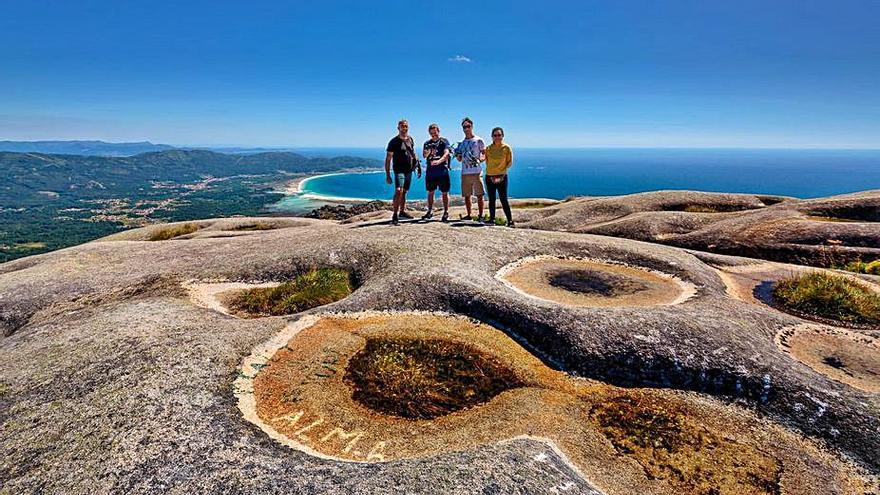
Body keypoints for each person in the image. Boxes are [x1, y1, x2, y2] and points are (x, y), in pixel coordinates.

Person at [385, 119, 421, 225]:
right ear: (398, 128)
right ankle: (395, 215)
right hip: (399, 170)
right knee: (399, 191)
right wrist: (387, 175)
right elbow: (388, 159)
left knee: (404, 191)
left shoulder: (410, 139)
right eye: (402, 126)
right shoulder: (393, 142)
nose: (404, 128)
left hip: (409, 170)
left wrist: (417, 164)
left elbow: (413, 152)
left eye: (406, 126)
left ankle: (402, 212)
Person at [453, 117, 485, 220]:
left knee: (479, 194)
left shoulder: (478, 140)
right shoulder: (461, 143)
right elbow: (459, 159)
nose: (466, 129)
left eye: (468, 126)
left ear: (472, 126)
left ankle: (480, 215)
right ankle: (469, 215)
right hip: (465, 172)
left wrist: (480, 160)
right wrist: (458, 156)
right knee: (467, 195)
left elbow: (484, 154)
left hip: (476, 171)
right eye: (464, 127)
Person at [484, 126, 514, 227]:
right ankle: (492, 219)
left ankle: (510, 221)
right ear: (492, 136)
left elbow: (509, 163)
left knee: (503, 199)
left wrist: (501, 171)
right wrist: (493, 171)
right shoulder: (488, 148)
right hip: (490, 177)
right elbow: (487, 161)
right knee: (491, 199)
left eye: (499, 135)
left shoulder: (506, 148)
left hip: (502, 177)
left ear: (503, 136)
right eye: (495, 135)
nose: (497, 137)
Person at [422, 123, 452, 222]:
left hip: (442, 171)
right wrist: (428, 153)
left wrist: (439, 161)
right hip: (431, 172)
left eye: (435, 132)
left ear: (438, 131)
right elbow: (424, 155)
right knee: (430, 192)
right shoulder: (427, 143)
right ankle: (430, 211)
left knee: (444, 192)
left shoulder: (444, 141)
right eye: (431, 133)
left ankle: (446, 212)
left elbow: (446, 153)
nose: (433, 134)